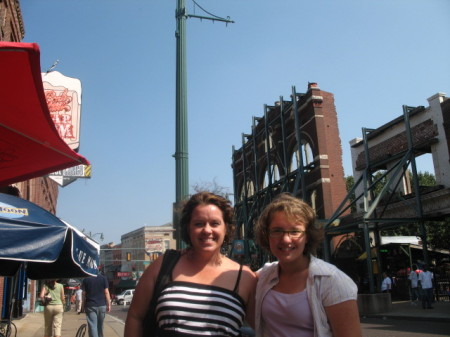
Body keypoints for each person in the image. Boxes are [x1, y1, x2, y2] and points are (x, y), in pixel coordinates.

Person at [125, 191, 257, 336]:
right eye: (199, 223)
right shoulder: (164, 264)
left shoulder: (244, 277)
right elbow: (135, 316)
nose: (207, 230)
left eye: (215, 223)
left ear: (226, 228)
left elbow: (267, 327)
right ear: (188, 228)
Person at [254, 193, 361, 337]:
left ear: (307, 236)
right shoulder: (264, 275)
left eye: (295, 231)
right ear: (267, 235)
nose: (286, 239)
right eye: (277, 231)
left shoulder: (332, 281)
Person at [82, 272, 112, 337]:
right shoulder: (103, 278)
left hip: (90, 305)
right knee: (100, 326)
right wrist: (108, 304)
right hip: (102, 305)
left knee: (93, 325)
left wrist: (82, 306)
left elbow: (84, 294)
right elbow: (106, 292)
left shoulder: (86, 279)